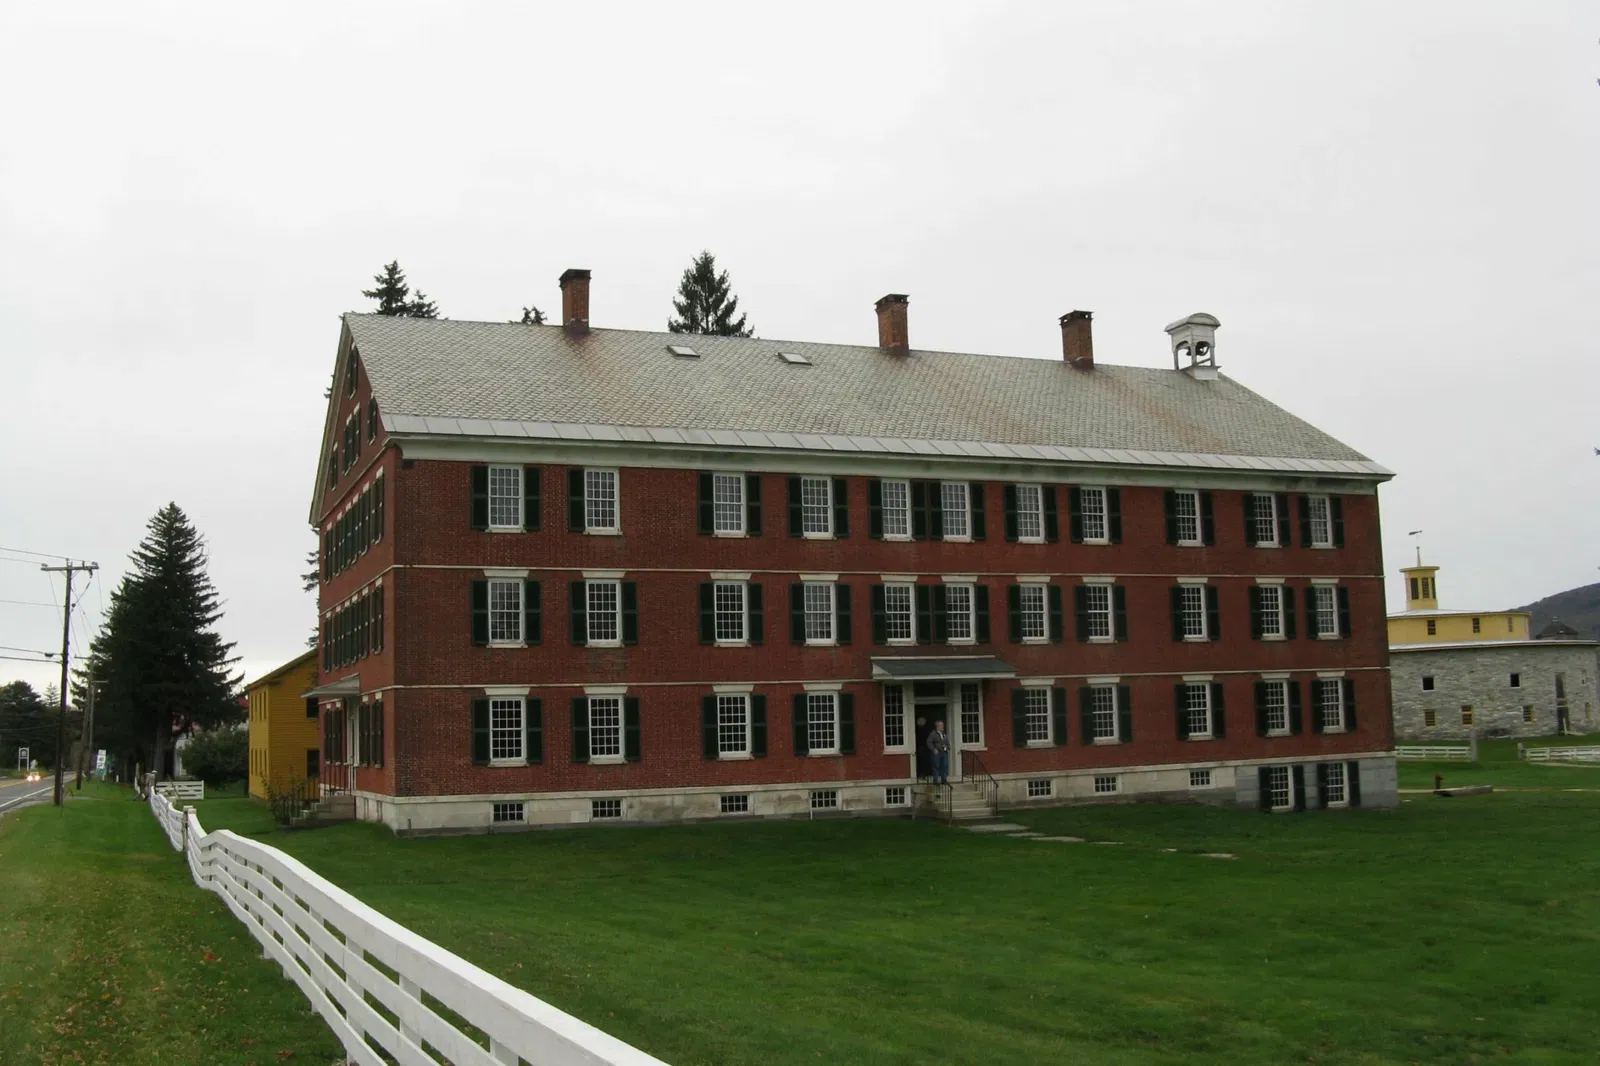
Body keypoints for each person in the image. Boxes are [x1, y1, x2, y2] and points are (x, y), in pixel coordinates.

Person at [927, 719, 950, 786]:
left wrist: (947, 747)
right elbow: (929, 742)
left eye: (943, 725)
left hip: (944, 753)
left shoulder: (944, 734)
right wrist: (933, 749)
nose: (943, 727)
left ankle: (944, 780)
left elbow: (947, 743)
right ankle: (936, 781)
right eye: (941, 725)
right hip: (937, 753)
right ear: (937, 726)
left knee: (944, 766)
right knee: (936, 766)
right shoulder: (933, 734)